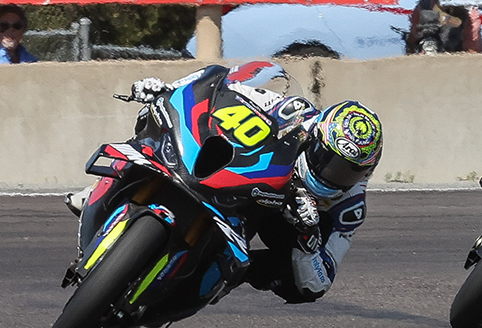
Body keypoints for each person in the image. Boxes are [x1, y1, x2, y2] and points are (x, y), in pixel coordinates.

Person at [69, 61, 383, 305]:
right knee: (155, 124)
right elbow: (222, 82)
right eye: (330, 161)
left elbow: (320, 282)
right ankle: (109, 186)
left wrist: (308, 237)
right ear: (316, 139)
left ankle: (226, 275)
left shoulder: (350, 208)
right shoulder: (298, 114)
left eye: (349, 171)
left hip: (278, 220)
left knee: (300, 287)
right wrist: (168, 89)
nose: (333, 174)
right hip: (252, 180)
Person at [405, 0, 482, 55]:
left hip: (455, 52)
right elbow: (413, 35)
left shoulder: (470, 14)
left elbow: (472, 44)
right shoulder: (425, 7)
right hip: (427, 48)